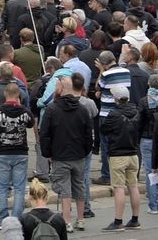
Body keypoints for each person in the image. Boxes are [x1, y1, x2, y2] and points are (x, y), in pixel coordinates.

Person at [40, 74, 94, 232]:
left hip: (60, 154)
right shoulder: (82, 109)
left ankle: (67, 221)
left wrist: (47, 153)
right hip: (78, 154)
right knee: (79, 186)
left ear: (61, 88)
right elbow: (88, 133)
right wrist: (86, 151)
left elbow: (45, 133)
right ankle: (81, 219)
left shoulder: (52, 108)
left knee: (64, 189)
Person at [0, 81, 35, 228]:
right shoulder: (25, 112)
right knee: (19, 187)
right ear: (18, 95)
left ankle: (3, 219)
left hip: (3, 153)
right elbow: (31, 124)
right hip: (21, 152)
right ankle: (17, 218)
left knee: (2, 187)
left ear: (5, 95)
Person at [101, 85, 143, 231]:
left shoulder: (113, 114)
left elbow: (104, 130)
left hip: (118, 154)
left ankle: (118, 221)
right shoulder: (137, 112)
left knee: (119, 188)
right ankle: (135, 219)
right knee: (133, 186)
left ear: (116, 98)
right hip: (133, 153)